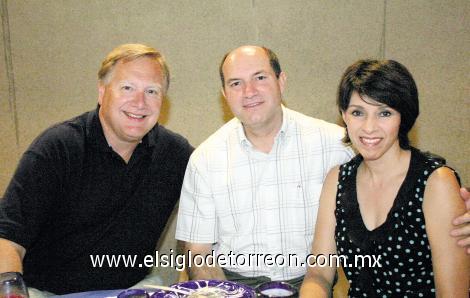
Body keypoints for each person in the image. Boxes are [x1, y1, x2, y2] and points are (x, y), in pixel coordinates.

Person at [0, 44, 193, 295]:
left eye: (152, 91)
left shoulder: (175, 154)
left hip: (134, 289)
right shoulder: (58, 148)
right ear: (102, 92)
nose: (139, 102)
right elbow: (7, 241)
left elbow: (209, 221)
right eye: (127, 88)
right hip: (48, 293)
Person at [175, 45, 355, 289]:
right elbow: (199, 254)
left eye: (259, 78)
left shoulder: (337, 146)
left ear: (281, 81)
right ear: (225, 95)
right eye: (236, 83)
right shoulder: (205, 159)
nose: (249, 92)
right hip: (236, 285)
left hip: (312, 285)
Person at [299, 59, 469, 297]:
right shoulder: (337, 180)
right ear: (344, 116)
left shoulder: (435, 182)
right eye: (358, 112)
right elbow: (319, 274)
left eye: (384, 113)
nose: (369, 127)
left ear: (403, 117)